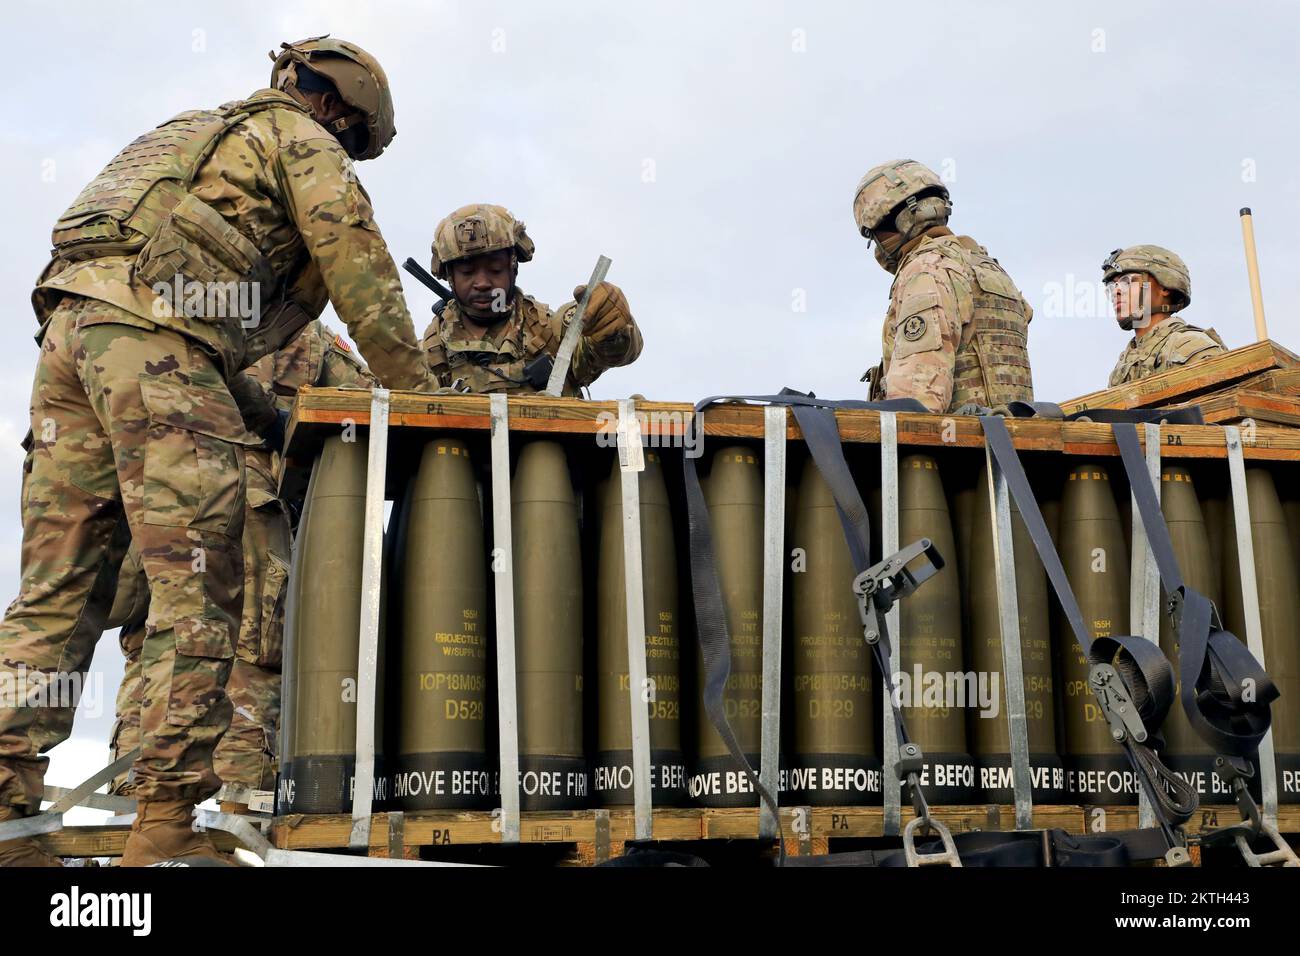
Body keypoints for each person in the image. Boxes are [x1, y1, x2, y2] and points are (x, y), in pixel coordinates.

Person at [0, 35, 433, 868]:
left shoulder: (187, 135)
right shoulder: (300, 139)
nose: (345, 153)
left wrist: (259, 409)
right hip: (156, 346)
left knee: (60, 593)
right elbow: (361, 270)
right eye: (352, 142)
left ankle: (8, 811)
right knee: (200, 587)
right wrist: (418, 395)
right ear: (340, 108)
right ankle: (166, 824)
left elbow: (198, 323)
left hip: (68, 344)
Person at [106, 320, 375, 810]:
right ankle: (149, 812)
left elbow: (374, 407)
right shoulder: (162, 314)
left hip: (228, 532)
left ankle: (168, 811)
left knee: (226, 665)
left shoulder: (304, 339)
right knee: (169, 651)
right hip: (185, 524)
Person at [853, 159, 1034, 413]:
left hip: (959, 448)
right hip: (1012, 445)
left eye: (876, 235)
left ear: (901, 223)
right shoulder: (988, 268)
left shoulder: (926, 271)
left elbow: (916, 402)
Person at [423, 204, 642, 395]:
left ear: (513, 267)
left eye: (495, 269)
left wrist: (613, 325)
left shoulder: (551, 331)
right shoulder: (431, 352)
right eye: (468, 272)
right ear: (449, 276)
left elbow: (612, 352)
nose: (482, 283)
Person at [1103, 245, 1227, 386]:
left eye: (1127, 281)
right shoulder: (1123, 365)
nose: (1116, 292)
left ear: (1165, 286)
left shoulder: (1190, 346)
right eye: (1112, 287)